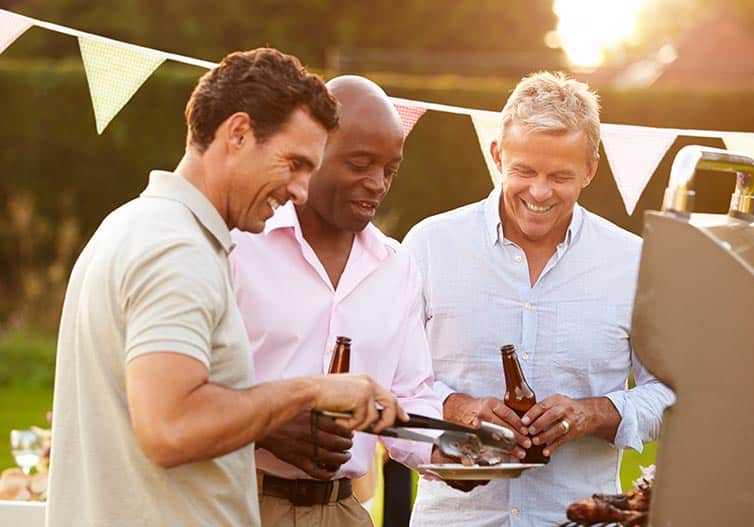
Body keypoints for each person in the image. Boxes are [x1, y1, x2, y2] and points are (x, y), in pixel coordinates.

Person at [46, 49, 405, 527]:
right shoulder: (176, 249)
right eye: (294, 163)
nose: (300, 190)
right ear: (238, 134)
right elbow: (172, 427)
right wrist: (309, 392)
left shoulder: (132, 223)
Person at [403, 71, 675, 527]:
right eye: (524, 171)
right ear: (496, 156)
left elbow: (672, 396)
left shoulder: (635, 261)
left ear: (591, 169)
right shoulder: (429, 245)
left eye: (560, 176)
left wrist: (596, 413)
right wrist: (458, 408)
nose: (540, 192)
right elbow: (389, 380)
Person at [230, 75, 442, 527]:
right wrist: (264, 430)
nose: (379, 183)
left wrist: (449, 452)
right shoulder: (240, 245)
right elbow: (187, 388)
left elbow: (411, 394)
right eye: (361, 163)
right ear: (312, 152)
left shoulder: (397, 266)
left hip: (345, 510)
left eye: (390, 169)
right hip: (239, 502)